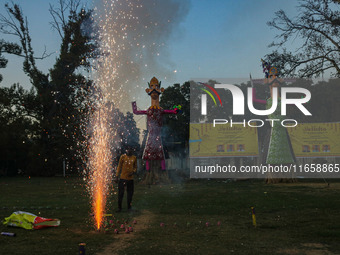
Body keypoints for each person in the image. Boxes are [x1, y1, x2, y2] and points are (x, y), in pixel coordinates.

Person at [115, 147, 137, 212]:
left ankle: (129, 207)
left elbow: (135, 167)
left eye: (131, 149)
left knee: (130, 193)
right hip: (123, 178)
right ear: (126, 150)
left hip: (130, 179)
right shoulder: (123, 157)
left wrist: (133, 171)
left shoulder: (134, 158)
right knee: (120, 193)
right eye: (128, 149)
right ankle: (119, 207)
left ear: (132, 150)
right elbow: (119, 166)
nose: (129, 151)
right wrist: (116, 176)